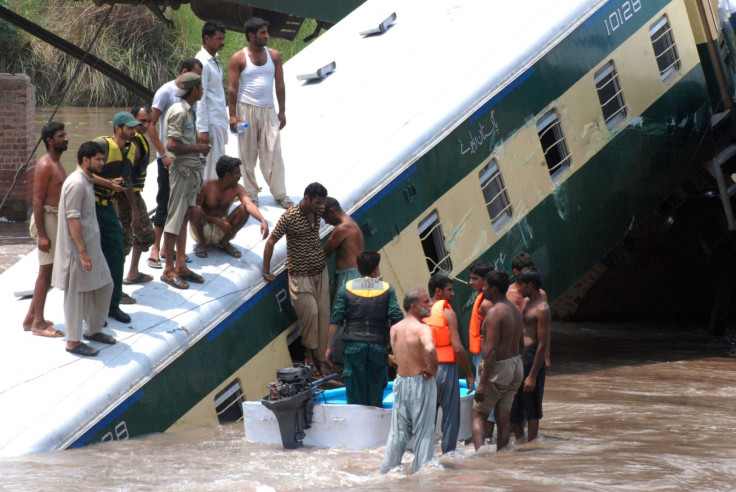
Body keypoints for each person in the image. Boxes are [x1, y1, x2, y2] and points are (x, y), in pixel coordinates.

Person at [52, 141, 117, 356]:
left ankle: (94, 330)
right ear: (86, 160)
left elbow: (94, 178)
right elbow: (73, 219)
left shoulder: (86, 179)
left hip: (92, 247)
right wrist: (82, 251)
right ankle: (72, 341)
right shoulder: (76, 184)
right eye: (98, 159)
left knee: (104, 284)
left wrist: (110, 184)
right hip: (77, 250)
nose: (102, 162)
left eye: (102, 158)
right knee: (76, 295)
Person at [263, 182, 329, 375]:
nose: (319, 207)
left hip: (320, 271)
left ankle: (321, 360)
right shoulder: (290, 217)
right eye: (317, 203)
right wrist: (267, 272)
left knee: (324, 316)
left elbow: (330, 212)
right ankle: (309, 356)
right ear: (306, 198)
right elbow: (271, 242)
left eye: (321, 203)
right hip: (300, 275)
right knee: (311, 315)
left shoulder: (319, 210)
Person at [228, 17, 292, 208]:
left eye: (266, 31)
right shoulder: (238, 58)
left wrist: (282, 111)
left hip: (268, 109)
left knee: (274, 152)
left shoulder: (274, 56)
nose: (267, 36)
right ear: (251, 35)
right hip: (245, 109)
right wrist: (232, 115)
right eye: (263, 33)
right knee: (247, 153)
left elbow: (280, 84)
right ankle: (251, 193)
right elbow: (232, 88)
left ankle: (280, 194)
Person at [326, 251, 403, 406]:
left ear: (358, 270)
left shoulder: (346, 288)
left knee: (354, 390)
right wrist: (398, 349)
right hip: (378, 347)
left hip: (353, 347)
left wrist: (329, 347)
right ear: (376, 270)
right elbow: (397, 318)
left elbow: (336, 320)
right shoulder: (388, 289)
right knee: (376, 390)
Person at [147, 58, 203, 269]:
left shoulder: (191, 103)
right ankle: (156, 248)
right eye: (197, 80)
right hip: (169, 159)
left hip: (185, 162)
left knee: (182, 207)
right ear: (186, 73)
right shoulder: (166, 93)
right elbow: (151, 125)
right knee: (164, 202)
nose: (201, 86)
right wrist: (163, 155)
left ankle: (169, 251)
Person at [380, 288, 437, 475]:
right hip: (421, 382)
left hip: (400, 382)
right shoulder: (423, 328)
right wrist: (433, 369)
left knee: (397, 434)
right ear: (414, 306)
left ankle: (387, 472)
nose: (430, 305)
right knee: (424, 433)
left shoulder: (394, 329)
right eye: (426, 302)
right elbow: (430, 348)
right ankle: (423, 477)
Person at [161, 72, 209, 290]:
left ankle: (181, 264)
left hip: (192, 170)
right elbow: (171, 145)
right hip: (182, 171)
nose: (202, 90)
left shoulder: (190, 111)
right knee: (174, 219)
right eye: (200, 87)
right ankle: (168, 270)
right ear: (195, 90)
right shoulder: (179, 112)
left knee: (185, 216)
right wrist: (197, 147)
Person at [93, 112, 141, 323]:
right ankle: (95, 311)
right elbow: (83, 172)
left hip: (110, 208)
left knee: (117, 250)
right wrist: (109, 184)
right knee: (94, 256)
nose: (134, 131)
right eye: (130, 128)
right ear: (118, 128)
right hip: (91, 206)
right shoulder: (101, 145)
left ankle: (113, 305)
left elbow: (127, 180)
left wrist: (133, 208)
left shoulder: (131, 150)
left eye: (134, 128)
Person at [23, 122, 68, 337]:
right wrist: (42, 235)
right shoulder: (45, 164)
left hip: (55, 219)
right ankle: (38, 324)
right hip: (47, 220)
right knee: (45, 272)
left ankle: (30, 318)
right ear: (50, 140)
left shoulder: (57, 163)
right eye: (61, 136)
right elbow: (37, 200)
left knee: (48, 272)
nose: (66, 138)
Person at [472, 270, 523, 452]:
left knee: (478, 415)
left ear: (493, 289)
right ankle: (502, 460)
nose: (482, 289)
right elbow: (521, 343)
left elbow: (491, 351)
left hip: (499, 367)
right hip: (516, 365)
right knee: (503, 419)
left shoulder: (494, 313)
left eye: (485, 286)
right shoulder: (515, 311)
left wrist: (482, 384)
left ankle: (480, 460)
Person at [423, 273, 474, 454]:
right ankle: (448, 457)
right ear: (438, 291)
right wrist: (469, 373)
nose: (452, 294)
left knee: (426, 417)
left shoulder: (419, 313)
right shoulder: (447, 313)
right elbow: (458, 349)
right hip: (445, 369)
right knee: (450, 417)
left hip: (424, 371)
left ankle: (424, 456)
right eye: (449, 290)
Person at [189, 155, 269, 258]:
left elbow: (248, 204)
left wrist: (262, 220)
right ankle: (202, 243)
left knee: (244, 208)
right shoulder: (205, 186)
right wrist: (216, 220)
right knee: (196, 210)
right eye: (237, 173)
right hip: (204, 227)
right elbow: (194, 211)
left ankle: (224, 242)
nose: (240, 175)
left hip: (223, 228)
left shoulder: (238, 189)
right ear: (227, 175)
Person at [510, 267, 550, 443]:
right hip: (520, 356)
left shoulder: (542, 308)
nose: (519, 289)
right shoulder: (526, 302)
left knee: (532, 405)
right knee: (515, 402)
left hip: (533, 357)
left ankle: (532, 445)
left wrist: (533, 375)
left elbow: (542, 343)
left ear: (531, 285)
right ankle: (520, 443)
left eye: (522, 285)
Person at [120, 105, 155, 286]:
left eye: (148, 121)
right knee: (124, 242)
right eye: (141, 122)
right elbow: (125, 177)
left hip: (133, 195)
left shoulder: (138, 140)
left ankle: (133, 272)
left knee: (145, 235)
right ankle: (116, 287)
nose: (145, 126)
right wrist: (133, 207)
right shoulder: (132, 144)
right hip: (126, 197)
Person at [195, 21, 229, 181]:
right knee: (210, 165)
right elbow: (199, 97)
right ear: (207, 38)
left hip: (219, 119)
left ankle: (214, 199)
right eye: (218, 38)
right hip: (210, 122)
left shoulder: (214, 60)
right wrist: (202, 128)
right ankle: (208, 201)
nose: (222, 42)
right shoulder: (201, 62)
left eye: (223, 38)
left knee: (218, 162)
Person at [467, 260, 496, 442]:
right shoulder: (481, 298)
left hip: (484, 356)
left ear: (485, 281)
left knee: (485, 397)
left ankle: (487, 437)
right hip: (478, 354)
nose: (470, 282)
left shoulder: (486, 303)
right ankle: (486, 438)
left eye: (474, 279)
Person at [506, 251, 550, 366]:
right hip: (511, 352)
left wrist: (547, 356)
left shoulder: (540, 295)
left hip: (532, 351)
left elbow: (545, 328)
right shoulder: (506, 294)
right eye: (526, 271)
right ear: (515, 272)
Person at [323, 196, 365, 302]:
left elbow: (325, 252)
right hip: (356, 273)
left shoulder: (343, 228)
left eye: (325, 217)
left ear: (332, 212)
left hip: (349, 276)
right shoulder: (350, 222)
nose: (326, 222)